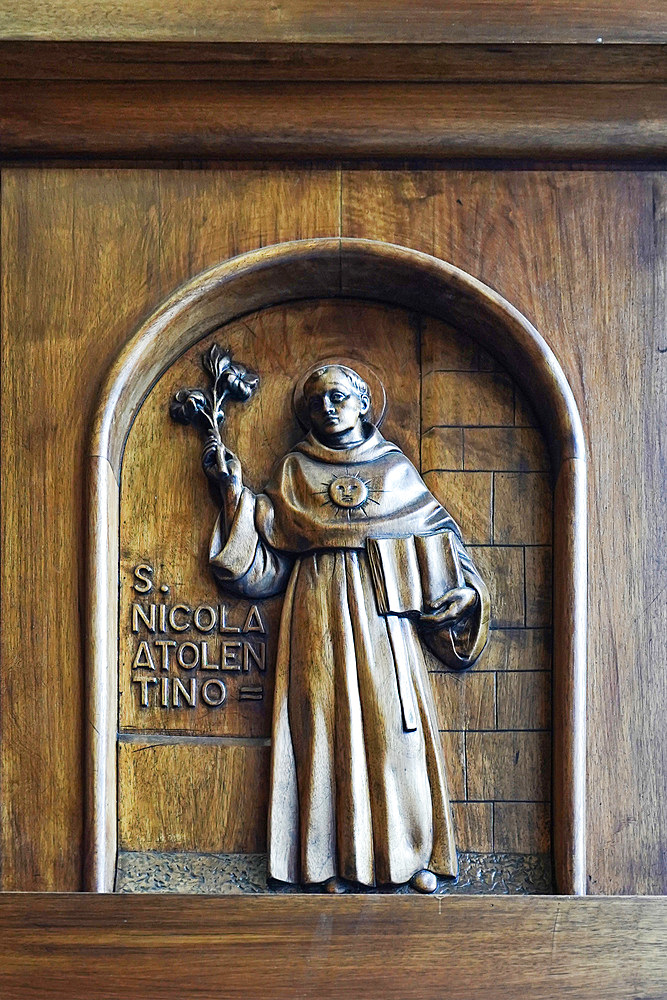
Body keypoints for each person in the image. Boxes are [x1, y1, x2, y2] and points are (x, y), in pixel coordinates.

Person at [204, 362, 489, 893]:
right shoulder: (294, 472)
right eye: (316, 403)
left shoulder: (396, 473)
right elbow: (264, 564)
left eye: (337, 397)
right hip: (317, 611)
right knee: (322, 726)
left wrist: (467, 596)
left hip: (384, 618)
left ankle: (408, 858)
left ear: (362, 401)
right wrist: (232, 492)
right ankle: (331, 862)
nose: (327, 409)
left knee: (391, 727)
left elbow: (446, 546)